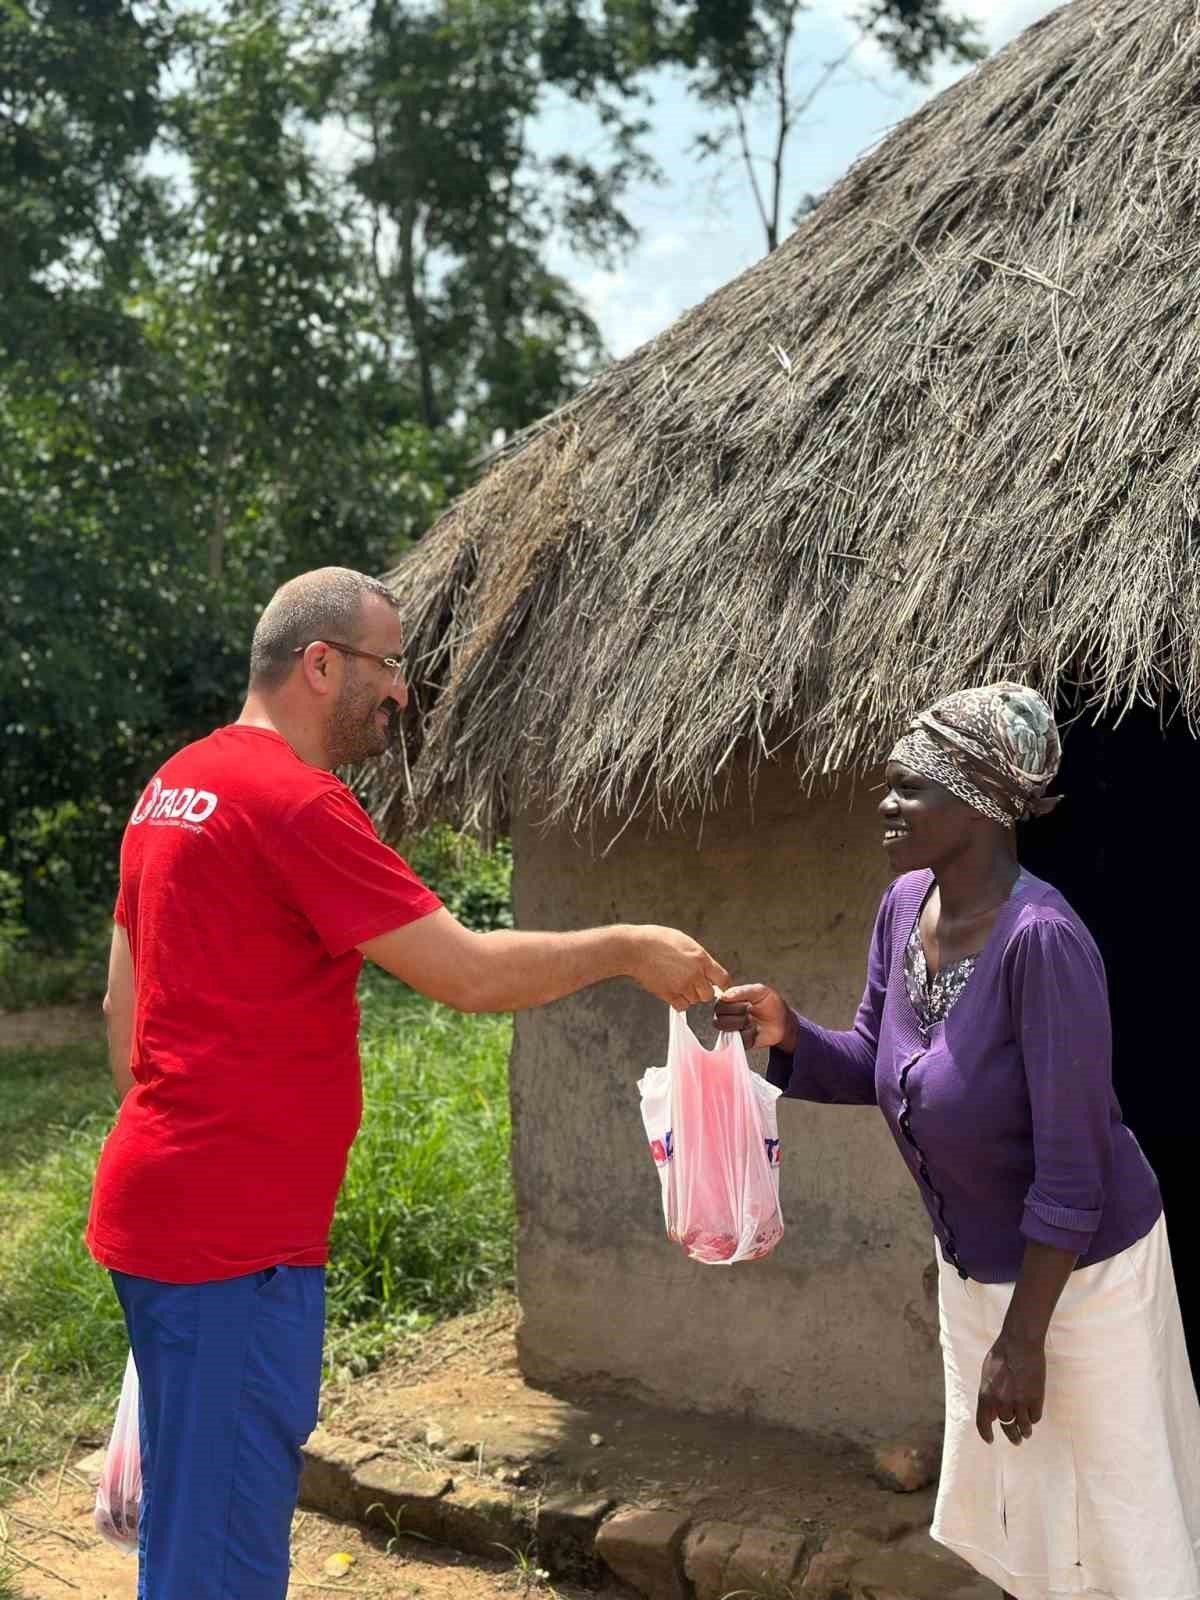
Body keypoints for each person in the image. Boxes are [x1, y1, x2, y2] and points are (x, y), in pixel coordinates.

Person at [87, 566, 728, 1600]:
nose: (401, 692)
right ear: (321, 662)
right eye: (389, 666)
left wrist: (188, 1142)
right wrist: (624, 945)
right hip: (232, 1247)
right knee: (225, 1556)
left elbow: (125, 1021)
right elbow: (465, 973)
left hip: (166, 1217)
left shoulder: (174, 786)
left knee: (193, 1522)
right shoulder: (295, 805)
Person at [715, 683, 1200, 1600]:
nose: (887, 804)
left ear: (977, 801)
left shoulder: (1044, 943)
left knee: (1121, 1527)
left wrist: (1023, 1341)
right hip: (979, 1278)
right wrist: (785, 1034)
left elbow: (1072, 1169)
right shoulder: (905, 908)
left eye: (912, 787)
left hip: (1082, 1285)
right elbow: (876, 1065)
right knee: (1031, 1516)